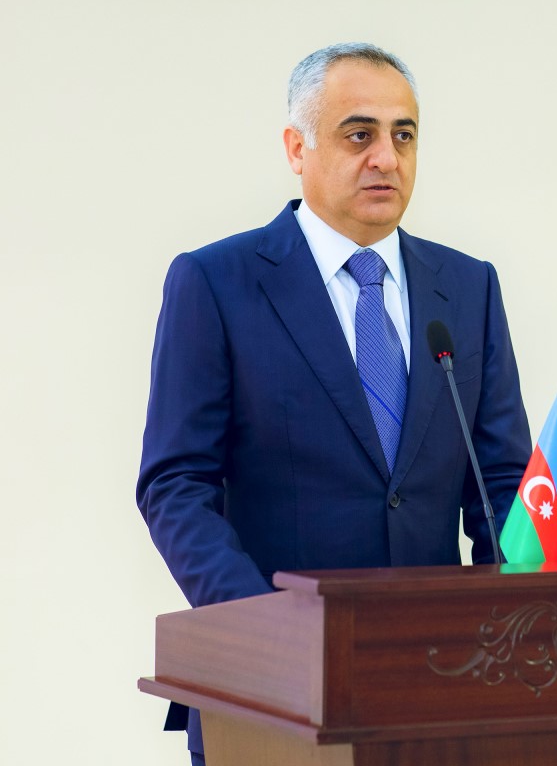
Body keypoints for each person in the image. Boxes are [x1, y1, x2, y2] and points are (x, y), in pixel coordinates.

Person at [137, 42, 531, 764]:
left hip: (443, 688)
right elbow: (174, 484)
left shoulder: (468, 287)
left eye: (403, 135)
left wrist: (520, 614)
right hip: (271, 697)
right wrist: (261, 627)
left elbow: (500, 480)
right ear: (297, 148)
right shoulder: (217, 282)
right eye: (359, 134)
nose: (386, 157)